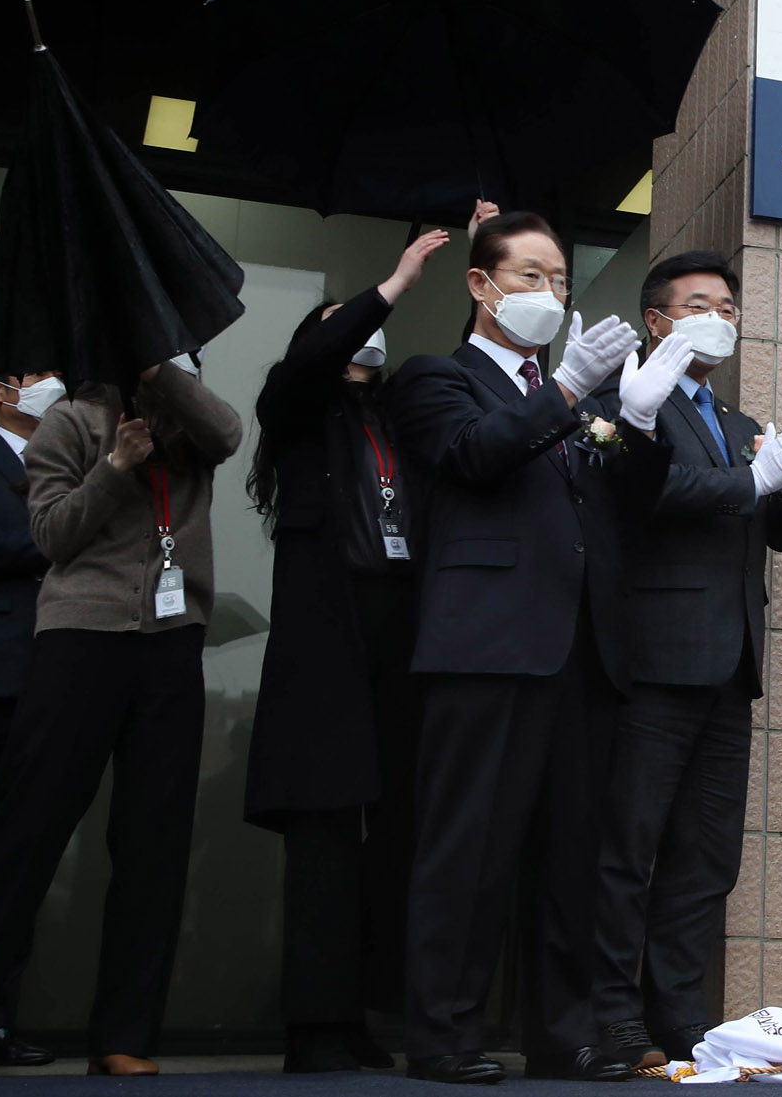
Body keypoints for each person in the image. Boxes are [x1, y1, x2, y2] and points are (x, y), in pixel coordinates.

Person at [391, 210, 694, 1085]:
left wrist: (633, 422)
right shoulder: (434, 378)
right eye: (530, 276)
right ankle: (441, 1032)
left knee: (573, 854)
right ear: (480, 286)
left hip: (581, 650)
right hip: (487, 645)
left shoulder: (582, 395)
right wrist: (564, 392)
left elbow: (627, 506)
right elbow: (475, 454)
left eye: (560, 280)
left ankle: (565, 1034)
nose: (550, 295)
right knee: (468, 845)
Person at [594, 251, 782, 1067]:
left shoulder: (738, 423)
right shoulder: (632, 407)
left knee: (706, 857)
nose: (720, 318)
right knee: (629, 845)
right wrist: (753, 482)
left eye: (729, 307)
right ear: (657, 321)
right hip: (656, 660)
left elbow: (779, 531)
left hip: (732, 664)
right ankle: (613, 1017)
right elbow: (651, 497)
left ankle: (677, 1016)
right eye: (701, 304)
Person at [0, 354, 242, 1076]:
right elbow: (53, 535)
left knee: (155, 839)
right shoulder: (67, 420)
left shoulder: (188, 419)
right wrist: (115, 464)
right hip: (80, 637)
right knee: (28, 828)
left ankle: (124, 1034)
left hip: (173, 638)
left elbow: (228, 430)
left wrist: (163, 373)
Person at [241, 229, 450, 1072]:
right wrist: (394, 282)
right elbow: (309, 361)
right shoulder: (298, 408)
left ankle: (366, 1011)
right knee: (326, 837)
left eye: (372, 326)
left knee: (395, 832)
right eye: (344, 326)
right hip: (327, 641)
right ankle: (314, 1027)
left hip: (404, 634)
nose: (365, 337)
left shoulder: (400, 414)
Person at [0, 366, 60, 1069]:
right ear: (1, 389)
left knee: (22, 858)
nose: (55, 382)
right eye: (39, 374)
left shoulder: (72, 465)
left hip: (55, 680)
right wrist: (56, 536)